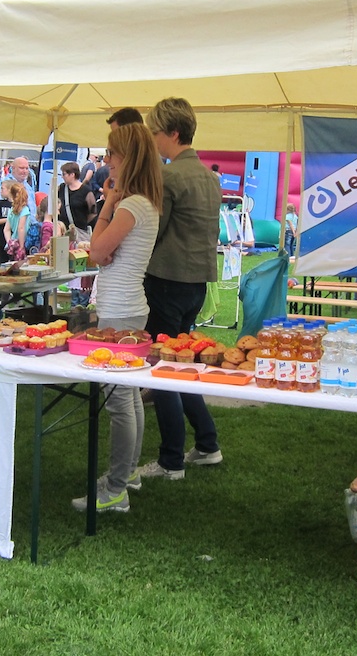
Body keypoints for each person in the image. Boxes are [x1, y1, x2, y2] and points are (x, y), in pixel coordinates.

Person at [72, 122, 163, 513]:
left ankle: (116, 488)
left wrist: (108, 202)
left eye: (111, 154)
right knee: (129, 397)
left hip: (121, 307)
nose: (106, 160)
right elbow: (103, 252)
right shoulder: (144, 203)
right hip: (128, 304)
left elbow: (96, 252)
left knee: (118, 400)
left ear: (128, 157)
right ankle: (126, 475)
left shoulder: (130, 205)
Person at [137, 97, 223, 481]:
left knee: (166, 368)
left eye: (156, 132)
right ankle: (206, 443)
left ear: (172, 133)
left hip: (168, 281)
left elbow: (154, 232)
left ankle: (171, 459)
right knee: (182, 363)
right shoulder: (209, 176)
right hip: (196, 282)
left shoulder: (170, 177)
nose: (153, 140)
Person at [58, 161, 97, 242]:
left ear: (72, 174)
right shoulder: (61, 188)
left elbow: (93, 212)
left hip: (80, 232)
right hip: (62, 231)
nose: (62, 176)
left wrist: (82, 222)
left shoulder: (86, 191)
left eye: (64, 174)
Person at [3, 182, 32, 261]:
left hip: (12, 246)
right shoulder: (25, 209)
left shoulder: (12, 210)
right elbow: (21, 228)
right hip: (23, 242)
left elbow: (6, 229)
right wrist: (21, 246)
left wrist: (10, 242)